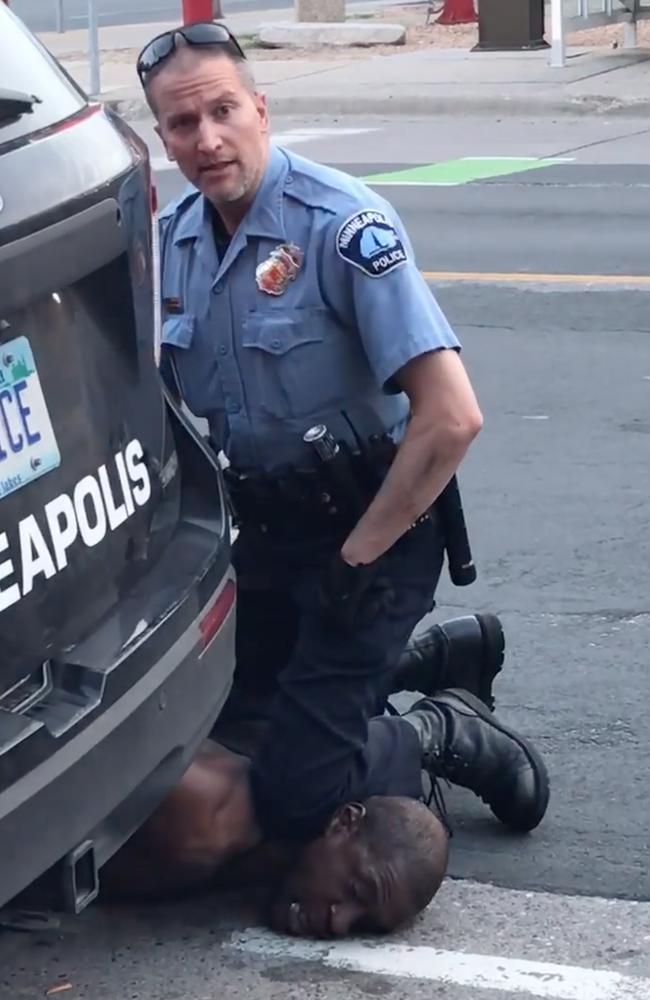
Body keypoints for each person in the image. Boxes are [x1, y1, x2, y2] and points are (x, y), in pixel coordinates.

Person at [135, 23, 549, 850]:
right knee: (221, 723)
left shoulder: (342, 225)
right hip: (265, 534)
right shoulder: (173, 244)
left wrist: (358, 558)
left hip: (374, 534)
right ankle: (423, 660)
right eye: (183, 124)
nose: (208, 139)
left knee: (293, 796)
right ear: (163, 136)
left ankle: (442, 727)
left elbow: (452, 416)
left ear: (261, 108)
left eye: (223, 110)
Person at [101, 685, 548, 939]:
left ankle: (413, 665)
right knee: (306, 783)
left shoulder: (295, 863)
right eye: (355, 889)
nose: (339, 921)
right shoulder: (202, 821)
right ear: (342, 822)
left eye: (363, 925)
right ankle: (434, 729)